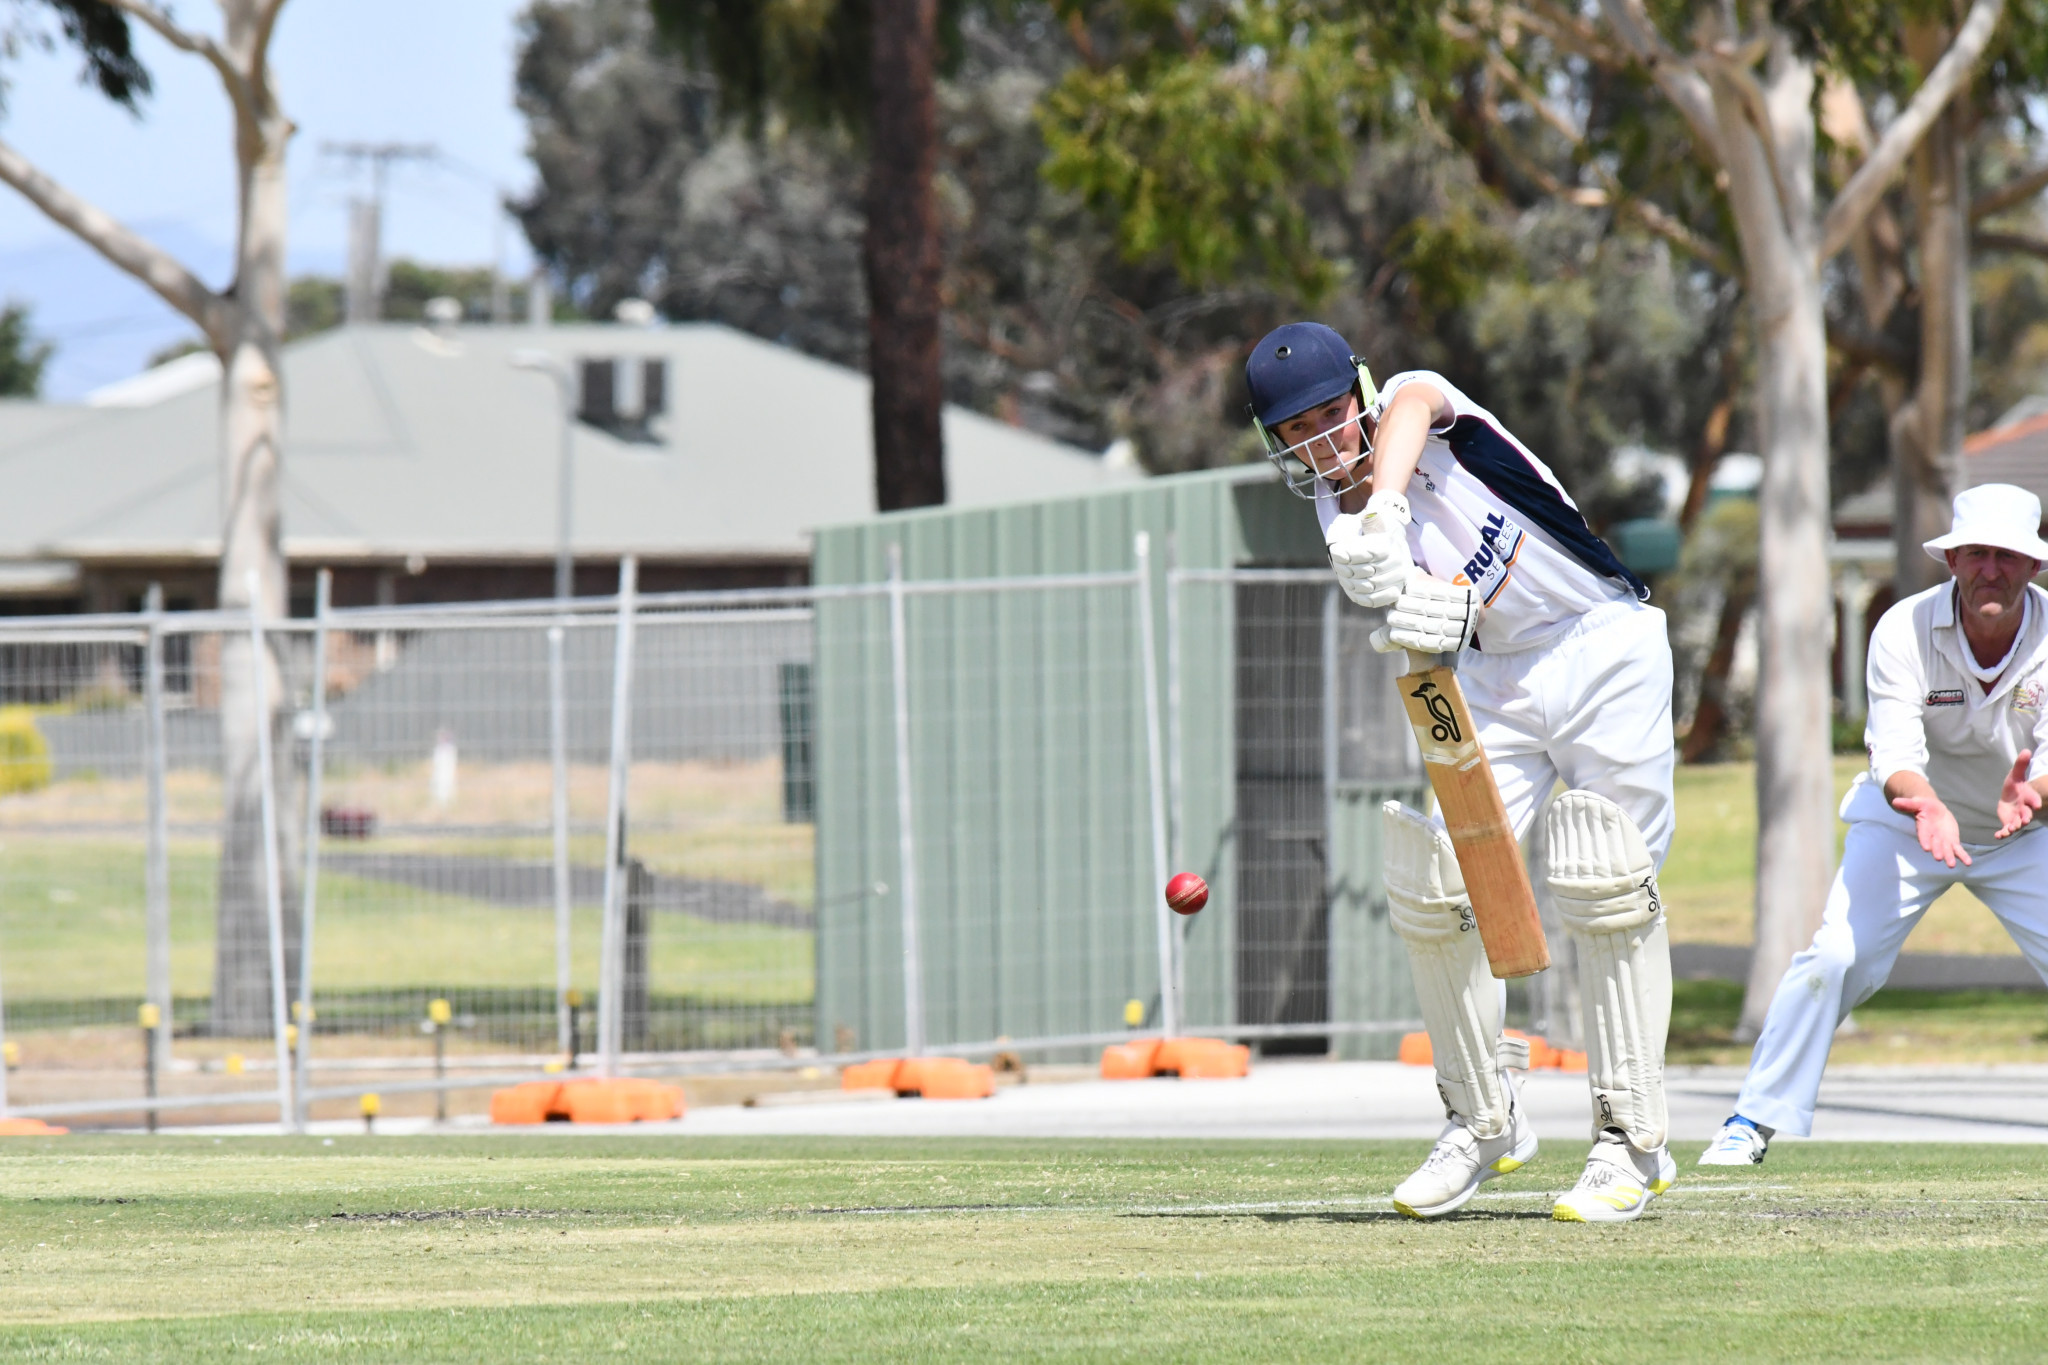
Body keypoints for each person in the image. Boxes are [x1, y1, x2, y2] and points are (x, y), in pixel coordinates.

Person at [1243, 321, 1679, 1223]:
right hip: (1491, 680)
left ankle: (1630, 1139)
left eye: (1332, 413)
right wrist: (1415, 626)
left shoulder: (1420, 416)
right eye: (1299, 429)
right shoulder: (1330, 511)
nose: (1324, 440)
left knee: (1605, 876)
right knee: (1435, 882)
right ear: (1275, 441)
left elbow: (1415, 402)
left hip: (1600, 640)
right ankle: (1484, 1119)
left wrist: (1388, 510)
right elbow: (1424, 637)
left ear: (1358, 394)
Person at [1701, 484, 2048, 1165]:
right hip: (1906, 826)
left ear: (2033, 566)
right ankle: (1751, 1120)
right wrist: (1928, 804)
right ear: (1952, 560)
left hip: (2024, 831)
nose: (1990, 570)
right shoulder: (1902, 628)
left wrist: (2033, 794)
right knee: (1834, 956)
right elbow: (1893, 754)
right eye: (1976, 553)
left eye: (2006, 556)